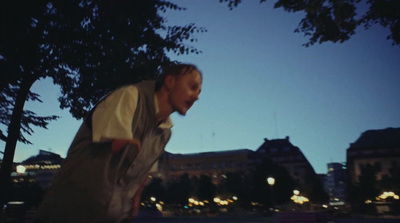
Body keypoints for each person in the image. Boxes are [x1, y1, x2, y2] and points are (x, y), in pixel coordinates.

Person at [37, 63, 203, 223]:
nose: (196, 96)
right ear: (170, 81)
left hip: (113, 215)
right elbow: (113, 149)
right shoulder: (130, 97)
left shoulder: (164, 133)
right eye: (192, 87)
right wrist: (126, 143)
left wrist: (135, 197)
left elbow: (144, 172)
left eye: (199, 91)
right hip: (71, 211)